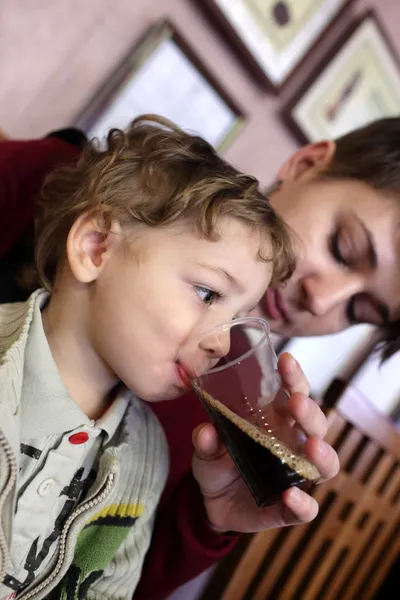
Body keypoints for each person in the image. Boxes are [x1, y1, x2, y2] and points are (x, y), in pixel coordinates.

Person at [8, 117, 399, 599]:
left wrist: (211, 519)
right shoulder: (48, 179)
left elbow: (107, 579)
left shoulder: (192, 429)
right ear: (307, 163)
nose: (323, 301)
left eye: (360, 310)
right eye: (343, 248)